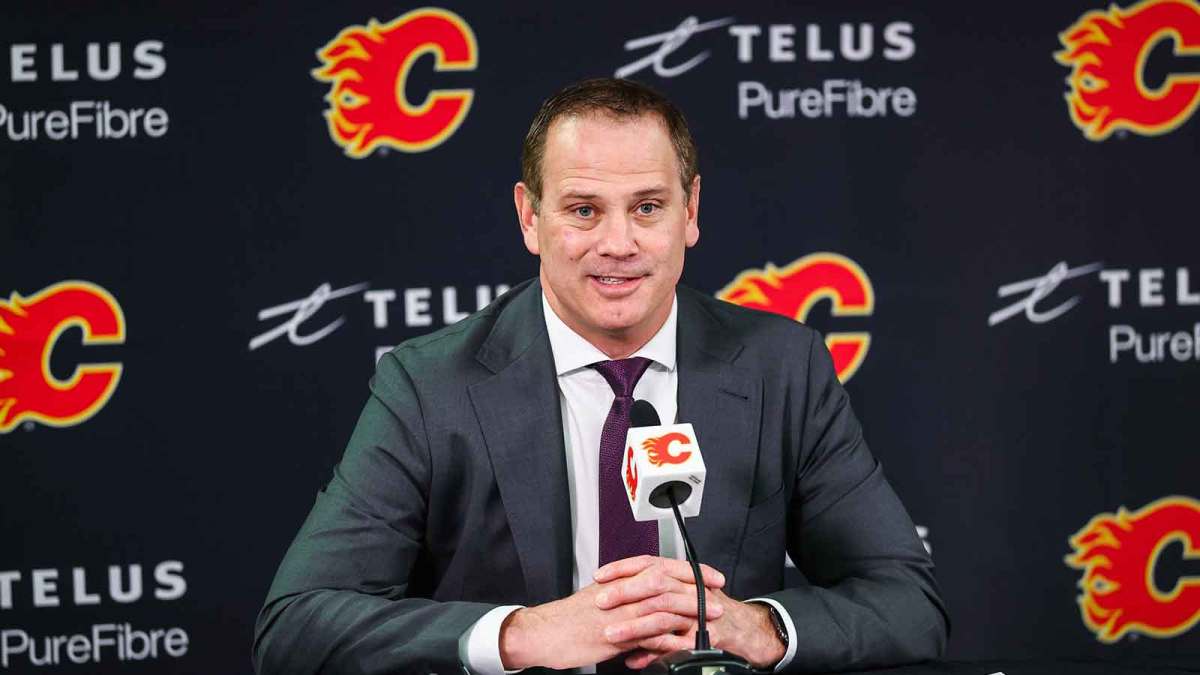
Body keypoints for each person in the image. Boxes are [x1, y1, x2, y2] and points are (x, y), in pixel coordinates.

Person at [253, 78, 948, 675]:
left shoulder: (783, 368)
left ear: (690, 212)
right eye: (584, 210)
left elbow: (906, 601)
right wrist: (520, 634)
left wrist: (755, 626)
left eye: (647, 207)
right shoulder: (429, 386)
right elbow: (297, 623)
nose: (618, 244)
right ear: (530, 217)